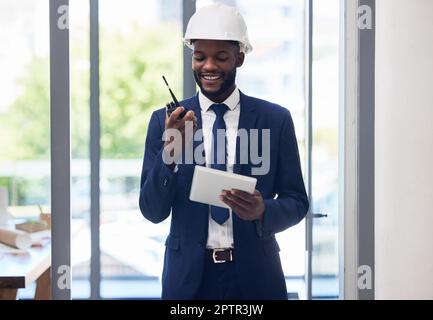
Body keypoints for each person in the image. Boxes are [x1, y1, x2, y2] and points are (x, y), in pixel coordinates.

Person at [139, 3, 308, 300]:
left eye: (220, 57)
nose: (208, 67)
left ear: (239, 58)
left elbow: (296, 201)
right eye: (200, 57)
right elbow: (152, 211)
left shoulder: (275, 119)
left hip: (257, 277)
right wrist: (170, 153)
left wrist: (263, 210)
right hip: (189, 280)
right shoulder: (166, 122)